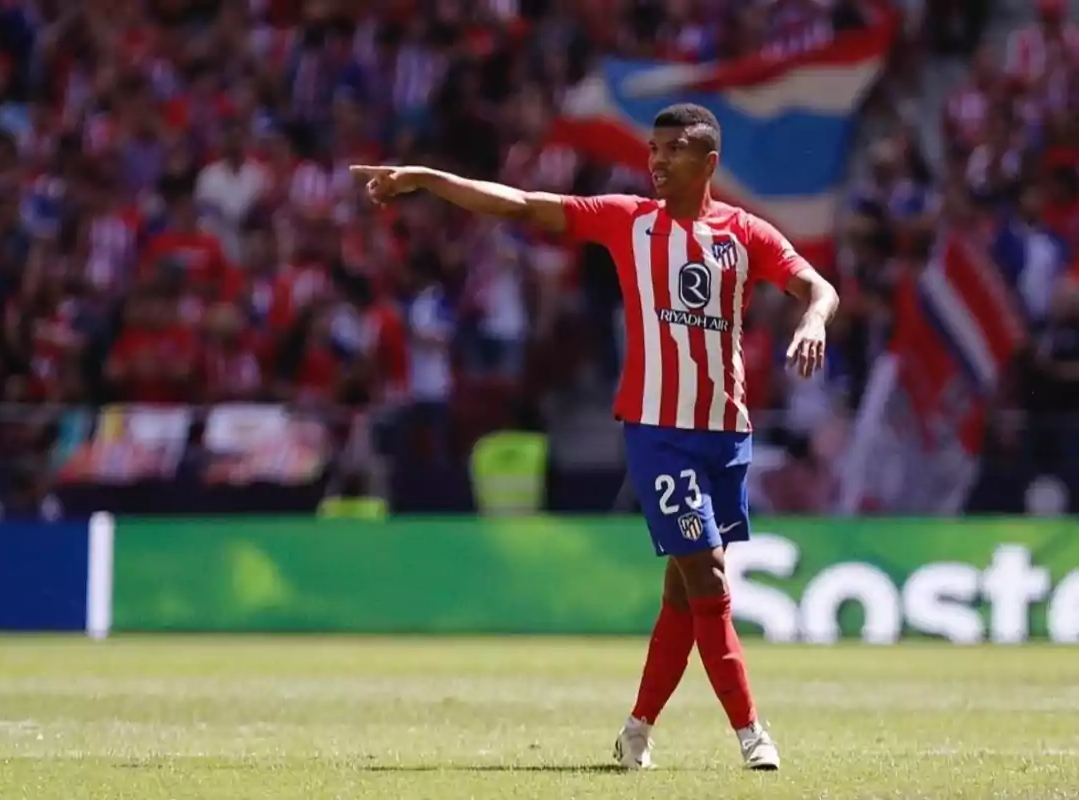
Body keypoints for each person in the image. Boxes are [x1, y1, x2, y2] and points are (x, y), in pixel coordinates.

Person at [350, 103, 839, 772]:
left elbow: (818, 286)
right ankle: (752, 733)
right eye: (654, 149)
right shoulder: (627, 220)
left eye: (674, 150)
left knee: (682, 592)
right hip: (657, 430)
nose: (658, 161)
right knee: (709, 573)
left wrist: (812, 321)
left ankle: (636, 730)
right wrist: (430, 179)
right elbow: (522, 205)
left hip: (726, 431)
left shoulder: (744, 234)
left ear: (709, 163)